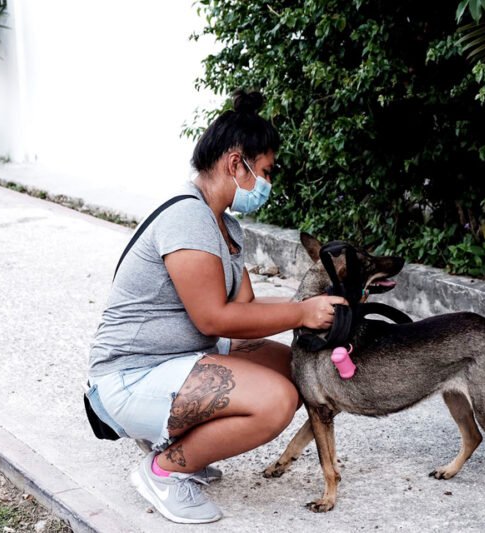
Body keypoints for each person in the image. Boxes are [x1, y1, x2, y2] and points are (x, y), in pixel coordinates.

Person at [86, 89, 346, 524]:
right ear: (234, 164)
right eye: (265, 172)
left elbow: (244, 311)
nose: (268, 184)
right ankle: (165, 470)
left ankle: (183, 444)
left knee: (297, 369)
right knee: (275, 400)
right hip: (129, 375)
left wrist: (313, 313)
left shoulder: (226, 226)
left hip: (181, 359)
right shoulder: (187, 218)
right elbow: (214, 318)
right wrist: (301, 313)